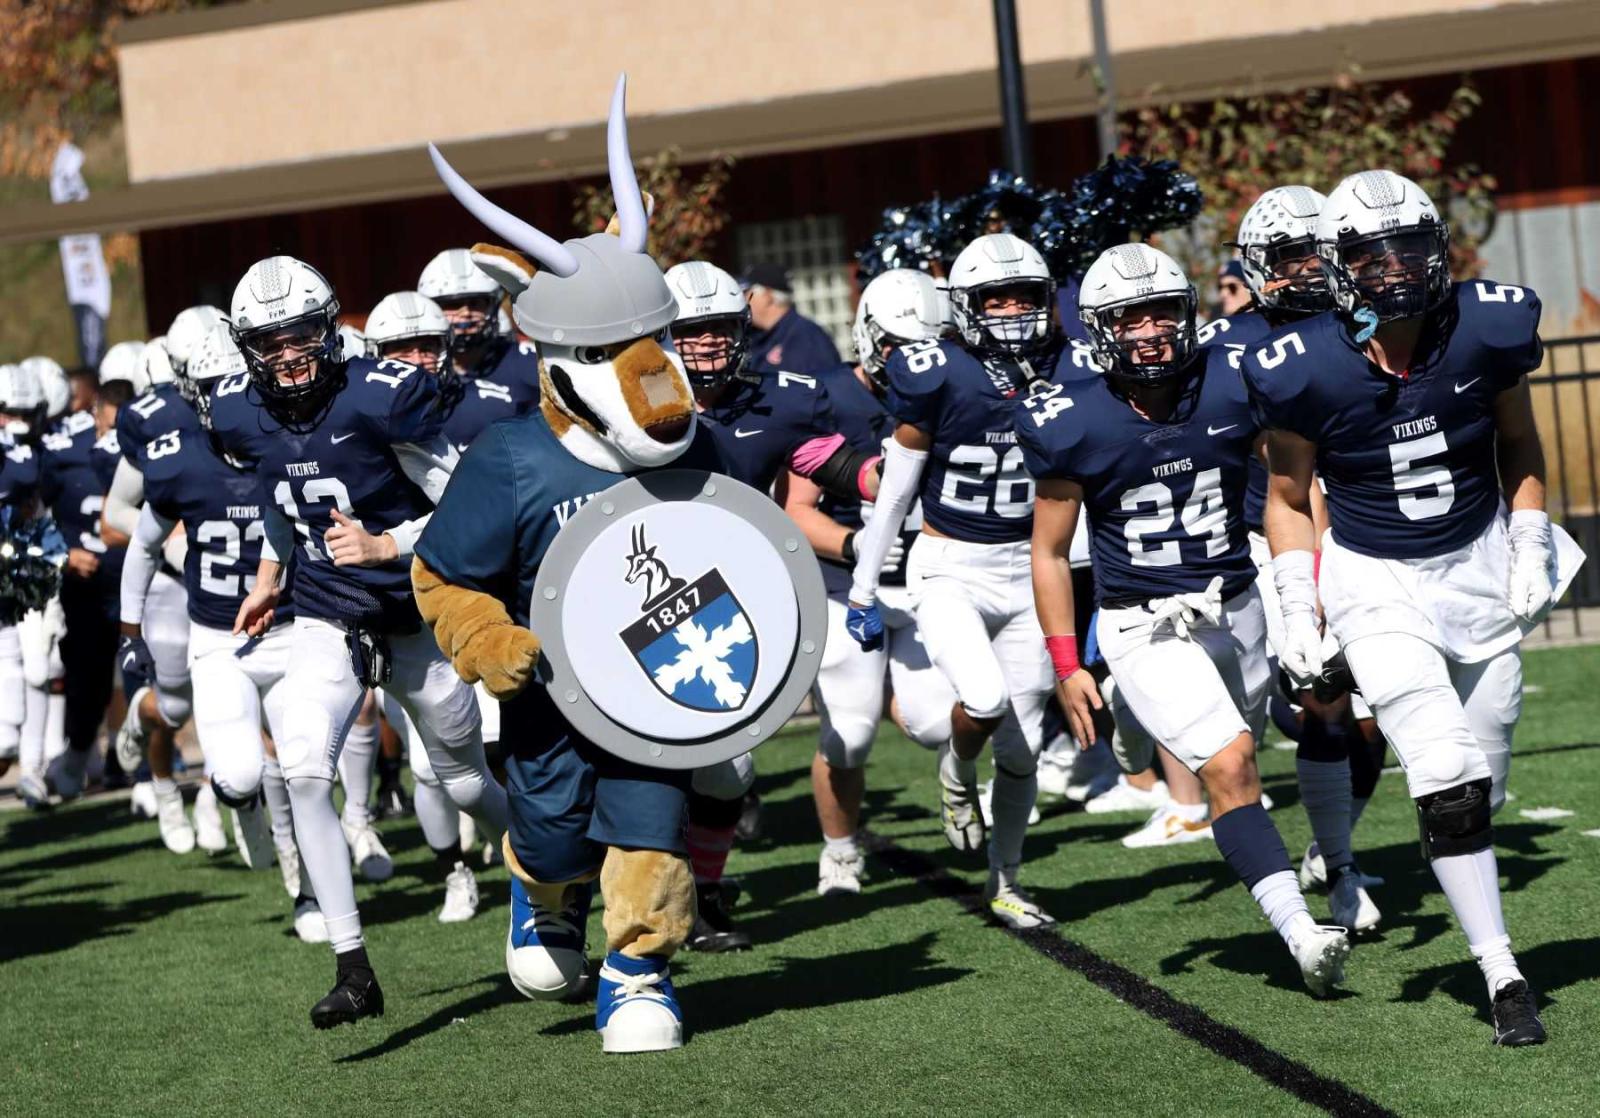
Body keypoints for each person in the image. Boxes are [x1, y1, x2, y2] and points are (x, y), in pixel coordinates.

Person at [1244, 169, 1555, 1045]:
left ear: (1438, 246)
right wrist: (1299, 607)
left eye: (1408, 247)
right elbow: (1285, 494)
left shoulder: (1488, 325)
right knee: (1445, 777)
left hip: (1475, 561)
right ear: (1338, 266)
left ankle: (1464, 886)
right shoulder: (1300, 363)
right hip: (1372, 578)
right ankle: (1503, 972)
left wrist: (1529, 534)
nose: (1392, 269)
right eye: (1369, 255)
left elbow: (1521, 440)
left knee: (1483, 775)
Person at [1023, 241, 1352, 996]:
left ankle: (1331, 867)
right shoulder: (1069, 417)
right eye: (1129, 317)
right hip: (1143, 622)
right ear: (1101, 328)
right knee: (1231, 764)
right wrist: (1068, 665)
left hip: (1237, 602)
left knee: (1273, 734)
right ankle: (1301, 934)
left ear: (1189, 314)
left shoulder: (1235, 382)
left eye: (1162, 311)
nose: (1149, 330)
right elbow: (1047, 554)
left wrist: (1311, 583)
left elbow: (1292, 488)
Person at [218, 254, 507, 1028]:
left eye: (300, 335)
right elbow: (286, 494)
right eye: (269, 342)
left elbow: (467, 502)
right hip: (327, 611)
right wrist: (270, 573)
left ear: (330, 326)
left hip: (414, 611)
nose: (288, 354)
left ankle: (554, 865)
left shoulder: (380, 397)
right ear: (249, 348)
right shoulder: (241, 413)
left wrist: (387, 546)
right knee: (305, 767)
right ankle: (353, 966)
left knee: (463, 777)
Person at [844, 232, 1065, 929]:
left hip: (1028, 571)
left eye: (1024, 297)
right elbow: (896, 494)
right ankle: (954, 771)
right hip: (951, 567)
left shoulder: (1075, 372)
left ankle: (1005, 881)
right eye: (994, 300)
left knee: (1023, 751)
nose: (1010, 312)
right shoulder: (937, 372)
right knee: (985, 697)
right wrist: (860, 588)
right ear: (963, 309)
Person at [785, 268, 956, 896]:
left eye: (920, 344)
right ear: (865, 336)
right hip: (840, 582)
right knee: (850, 736)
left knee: (938, 724)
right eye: (894, 345)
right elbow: (794, 511)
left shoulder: (948, 391)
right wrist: (864, 546)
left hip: (922, 581)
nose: (907, 359)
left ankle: (953, 772)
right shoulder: (825, 398)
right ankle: (839, 850)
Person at [40, 341, 145, 801]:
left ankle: (144, 774)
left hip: (142, 577)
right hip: (88, 582)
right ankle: (78, 757)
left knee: (145, 674)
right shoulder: (63, 446)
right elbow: (29, 513)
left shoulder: (159, 435)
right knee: (87, 679)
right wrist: (60, 552)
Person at [417, 248, 539, 410]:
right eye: (452, 304)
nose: (466, 313)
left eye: (476, 303)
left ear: (493, 305)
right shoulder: (415, 362)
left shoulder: (529, 363)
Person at [740, 262, 841, 377]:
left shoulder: (806, 337)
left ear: (767, 295)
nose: (742, 300)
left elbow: (822, 388)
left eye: (746, 293)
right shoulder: (757, 336)